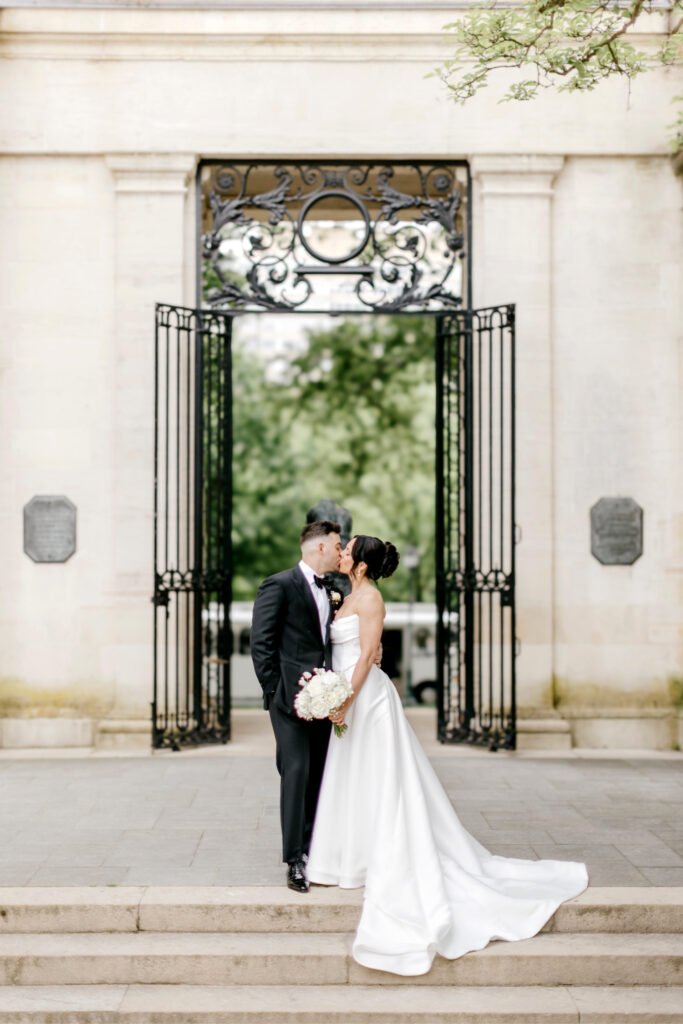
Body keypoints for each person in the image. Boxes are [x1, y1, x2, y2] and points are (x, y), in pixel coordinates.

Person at [307, 535, 589, 976]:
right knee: (353, 777)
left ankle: (373, 857)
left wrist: (344, 698)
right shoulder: (347, 595)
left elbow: (365, 658)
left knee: (379, 777)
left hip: (366, 699)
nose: (341, 551)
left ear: (360, 564)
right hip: (349, 696)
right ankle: (348, 857)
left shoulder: (372, 599)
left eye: (348, 549)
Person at [250, 520, 342, 893]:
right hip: (288, 699)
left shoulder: (333, 590)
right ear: (319, 547)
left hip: (325, 697)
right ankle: (294, 860)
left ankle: (314, 846)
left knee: (319, 772)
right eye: (338, 545)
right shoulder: (279, 584)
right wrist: (275, 692)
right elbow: (262, 642)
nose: (341, 550)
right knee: (297, 770)